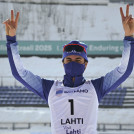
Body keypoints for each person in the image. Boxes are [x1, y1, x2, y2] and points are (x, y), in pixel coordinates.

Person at [3, 4, 134, 134]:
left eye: (78, 60)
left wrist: (129, 37)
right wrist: (11, 40)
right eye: (68, 59)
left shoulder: (96, 87)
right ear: (63, 63)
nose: (73, 63)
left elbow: (123, 70)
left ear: (86, 64)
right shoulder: (50, 88)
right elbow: (20, 73)